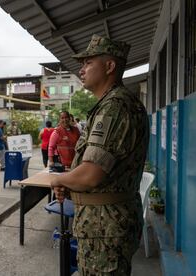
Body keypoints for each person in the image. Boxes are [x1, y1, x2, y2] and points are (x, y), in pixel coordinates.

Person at [50, 34, 149, 275]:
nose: (81, 70)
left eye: (88, 63)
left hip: (105, 228)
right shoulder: (111, 104)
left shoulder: (115, 107)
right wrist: (71, 183)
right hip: (102, 225)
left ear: (110, 66)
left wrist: (60, 179)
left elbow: (90, 175)